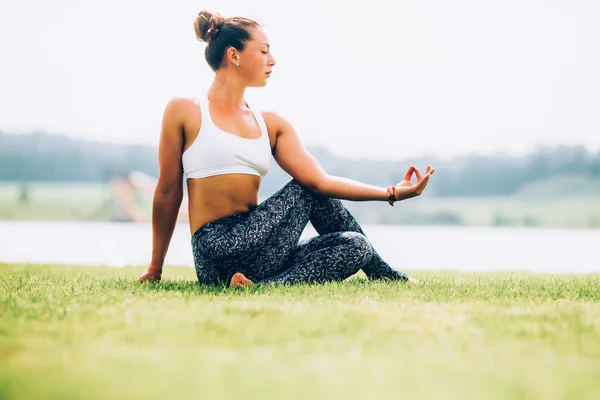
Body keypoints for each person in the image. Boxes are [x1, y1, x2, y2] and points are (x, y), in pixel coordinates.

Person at [138, 10, 436, 287]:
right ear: (234, 56)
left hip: (262, 252)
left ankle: (258, 286)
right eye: (264, 51)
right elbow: (167, 192)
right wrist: (155, 268)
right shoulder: (184, 111)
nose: (273, 60)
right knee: (308, 188)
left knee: (356, 245)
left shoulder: (271, 124)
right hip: (216, 250)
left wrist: (391, 193)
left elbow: (325, 182)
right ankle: (384, 274)